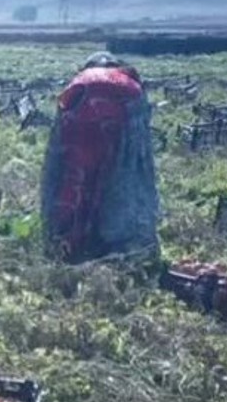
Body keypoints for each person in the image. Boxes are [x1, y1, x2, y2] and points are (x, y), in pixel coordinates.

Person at [40, 52, 159, 263]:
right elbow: (141, 149)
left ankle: (67, 238)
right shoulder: (130, 82)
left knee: (74, 176)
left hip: (82, 116)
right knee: (126, 176)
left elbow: (61, 134)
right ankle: (123, 244)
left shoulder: (81, 79)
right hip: (125, 112)